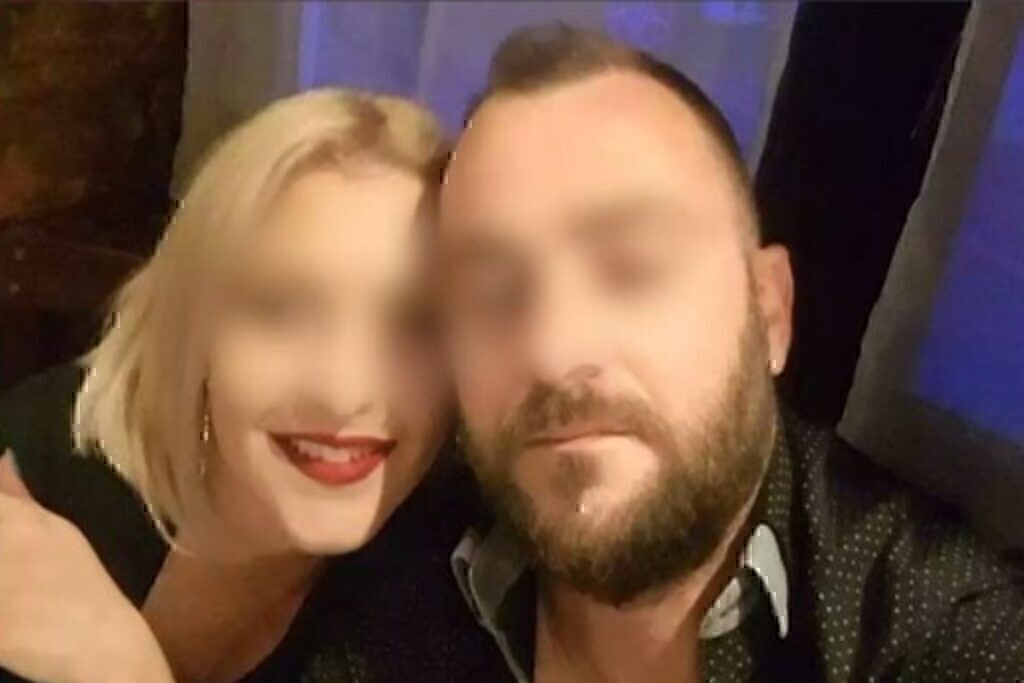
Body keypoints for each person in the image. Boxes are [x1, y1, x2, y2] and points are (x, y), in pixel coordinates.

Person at [440, 24, 1024, 683]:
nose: (551, 350)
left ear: (769, 312)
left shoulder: (946, 636)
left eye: (633, 266)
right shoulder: (406, 548)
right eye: (489, 292)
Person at [0, 88, 498, 683]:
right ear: (197, 327)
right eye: (281, 310)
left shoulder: (448, 596)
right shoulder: (40, 468)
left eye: (417, 323)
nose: (344, 392)